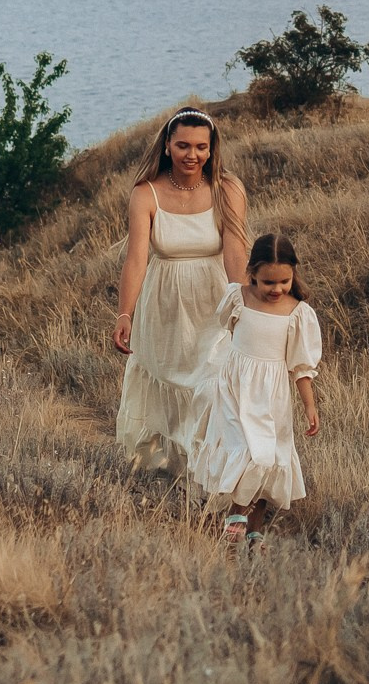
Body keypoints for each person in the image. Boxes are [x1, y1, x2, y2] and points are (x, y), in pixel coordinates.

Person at [113, 107, 249, 473]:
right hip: (165, 306)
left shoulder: (228, 188)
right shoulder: (146, 194)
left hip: (213, 303)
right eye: (184, 146)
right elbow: (136, 260)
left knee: (213, 381)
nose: (193, 155)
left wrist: (242, 304)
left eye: (201, 147)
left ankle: (212, 469)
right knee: (169, 380)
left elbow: (236, 250)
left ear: (212, 148)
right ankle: (170, 469)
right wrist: (125, 313)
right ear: (167, 147)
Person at [188, 232, 320, 542]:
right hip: (235, 390)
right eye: (268, 283)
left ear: (293, 275)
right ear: (252, 275)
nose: (277, 289)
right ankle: (235, 518)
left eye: (284, 282)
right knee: (249, 455)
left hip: (272, 396)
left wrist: (309, 405)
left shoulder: (297, 313)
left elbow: (300, 367)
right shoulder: (238, 297)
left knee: (269, 461)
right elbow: (228, 326)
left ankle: (254, 532)